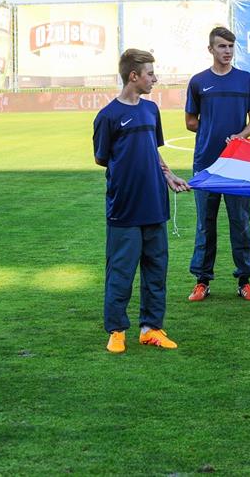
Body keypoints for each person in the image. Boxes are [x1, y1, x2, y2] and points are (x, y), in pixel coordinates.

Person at [93, 49, 190, 354]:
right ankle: (117, 331)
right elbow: (103, 159)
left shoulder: (151, 111)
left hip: (155, 204)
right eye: (149, 73)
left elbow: (152, 150)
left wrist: (168, 175)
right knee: (121, 271)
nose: (154, 78)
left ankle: (151, 329)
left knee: (156, 269)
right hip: (124, 208)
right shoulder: (107, 117)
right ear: (133, 76)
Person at [186, 27, 250, 302]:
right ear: (211, 50)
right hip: (206, 164)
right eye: (221, 46)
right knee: (205, 225)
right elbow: (190, 121)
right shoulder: (198, 82)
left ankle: (245, 281)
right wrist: (211, 133)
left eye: (230, 46)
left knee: (240, 222)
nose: (227, 51)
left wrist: (239, 138)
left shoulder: (246, 80)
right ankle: (202, 281)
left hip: (239, 166)